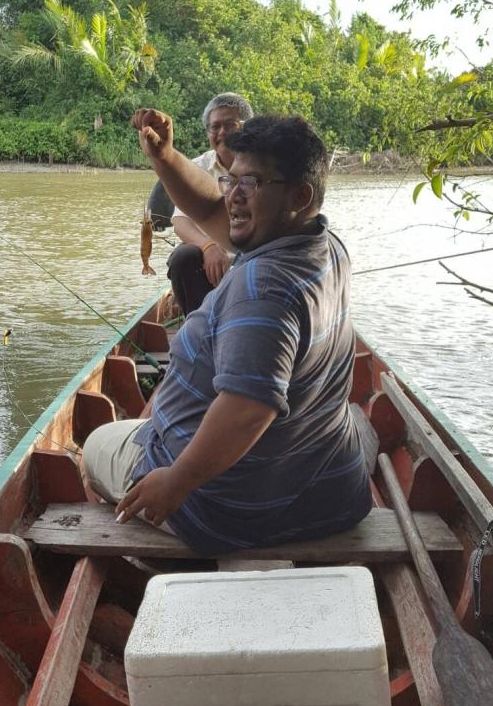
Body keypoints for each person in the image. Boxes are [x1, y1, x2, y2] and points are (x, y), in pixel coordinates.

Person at [82, 109, 371, 556]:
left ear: (299, 195)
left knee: (96, 445)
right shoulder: (324, 243)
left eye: (250, 183)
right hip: (331, 496)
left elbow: (246, 410)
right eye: (230, 179)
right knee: (361, 425)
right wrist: (165, 157)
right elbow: (213, 208)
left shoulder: (264, 288)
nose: (234, 195)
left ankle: (147, 557)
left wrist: (176, 483)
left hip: (228, 510)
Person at [166, 92, 253, 316]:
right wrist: (208, 246)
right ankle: (199, 327)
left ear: (246, 128)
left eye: (230, 125)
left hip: (253, 256)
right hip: (210, 264)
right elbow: (179, 221)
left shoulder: (263, 164)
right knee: (183, 257)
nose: (222, 132)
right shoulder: (196, 169)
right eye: (215, 127)